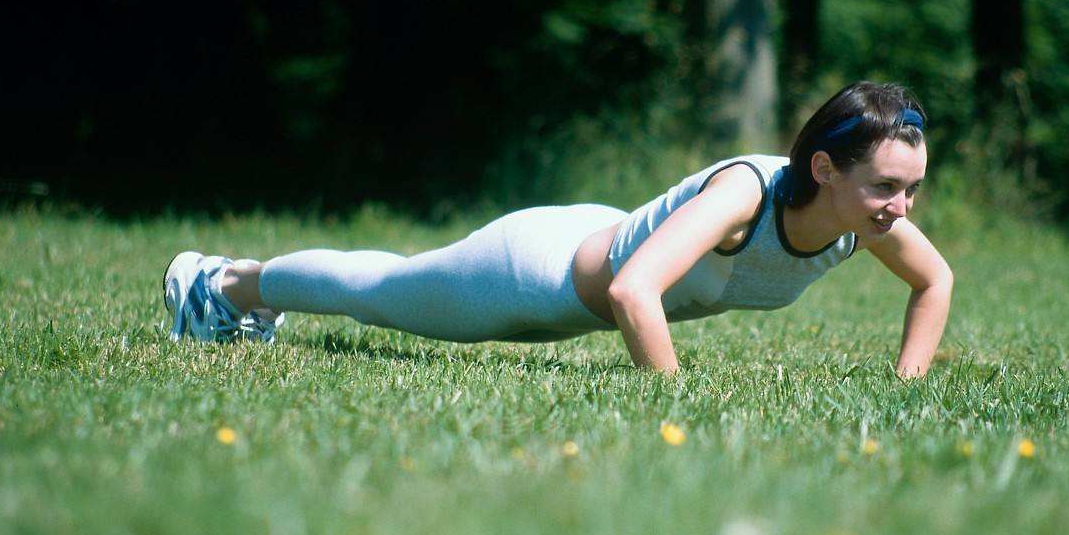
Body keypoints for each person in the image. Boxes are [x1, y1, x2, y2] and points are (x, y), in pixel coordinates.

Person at [162, 81, 953, 377]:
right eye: (887, 186)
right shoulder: (746, 194)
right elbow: (632, 286)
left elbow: (935, 281)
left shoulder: (863, 219)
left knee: (386, 286)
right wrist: (674, 405)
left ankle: (234, 285)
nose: (901, 208)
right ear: (823, 170)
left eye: (911, 189)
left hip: (585, 264)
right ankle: (222, 282)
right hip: (529, 272)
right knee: (381, 290)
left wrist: (906, 384)